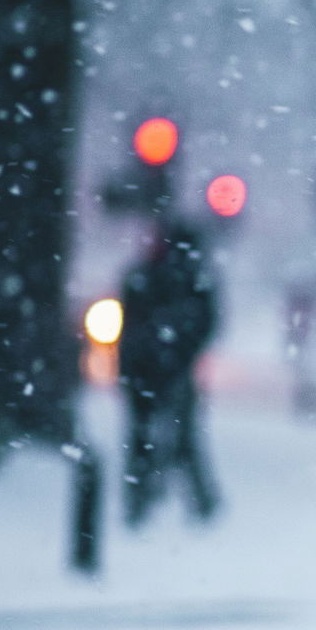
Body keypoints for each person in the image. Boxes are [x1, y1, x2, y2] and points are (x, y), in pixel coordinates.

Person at [118, 219, 221, 526]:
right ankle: (190, 501)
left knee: (152, 436)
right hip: (159, 369)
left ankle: (143, 500)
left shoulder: (149, 275)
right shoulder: (188, 279)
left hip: (151, 369)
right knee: (176, 436)